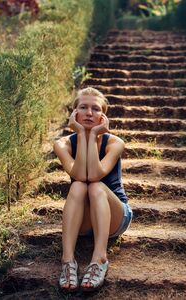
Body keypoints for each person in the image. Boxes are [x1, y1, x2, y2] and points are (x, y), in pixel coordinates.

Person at [53, 87, 133, 292]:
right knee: (79, 186)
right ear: (74, 113)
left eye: (96, 109)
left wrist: (95, 135)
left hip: (115, 216)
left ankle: (99, 258)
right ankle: (68, 261)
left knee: (96, 186)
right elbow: (80, 175)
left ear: (103, 116)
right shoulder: (63, 144)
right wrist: (81, 133)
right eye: (83, 107)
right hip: (84, 218)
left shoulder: (114, 143)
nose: (89, 113)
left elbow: (95, 175)